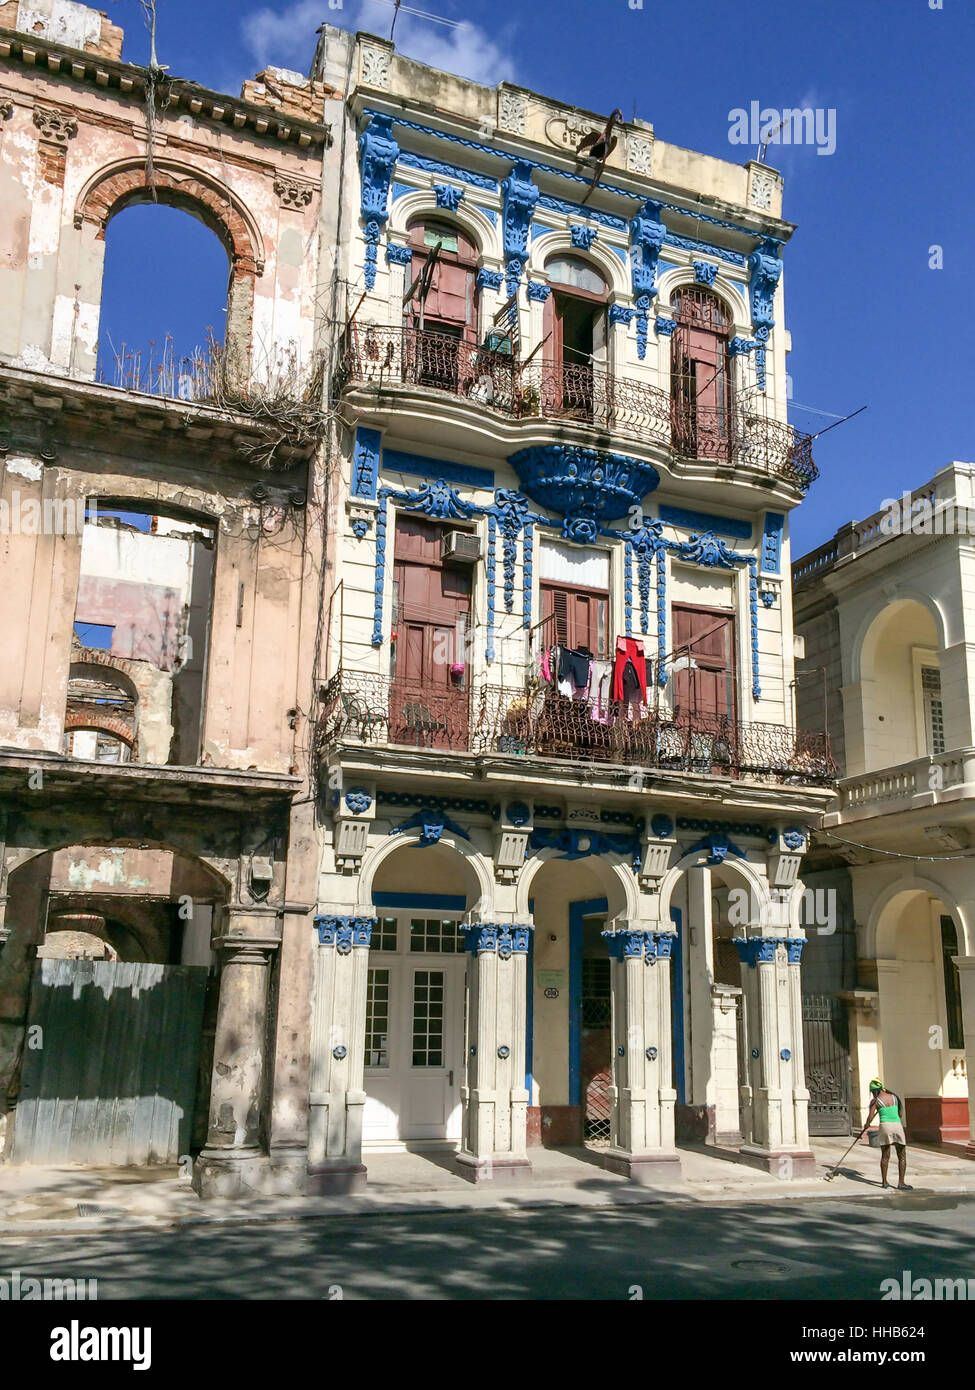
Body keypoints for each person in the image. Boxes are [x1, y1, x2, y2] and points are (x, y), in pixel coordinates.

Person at [866, 1078, 913, 1190]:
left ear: (874, 1091)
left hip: (885, 1126)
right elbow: (900, 1114)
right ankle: (901, 1183)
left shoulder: (875, 1101)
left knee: (885, 1155)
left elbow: (871, 1117)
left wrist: (866, 1125)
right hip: (897, 1125)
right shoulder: (894, 1097)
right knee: (901, 1155)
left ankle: (884, 1182)